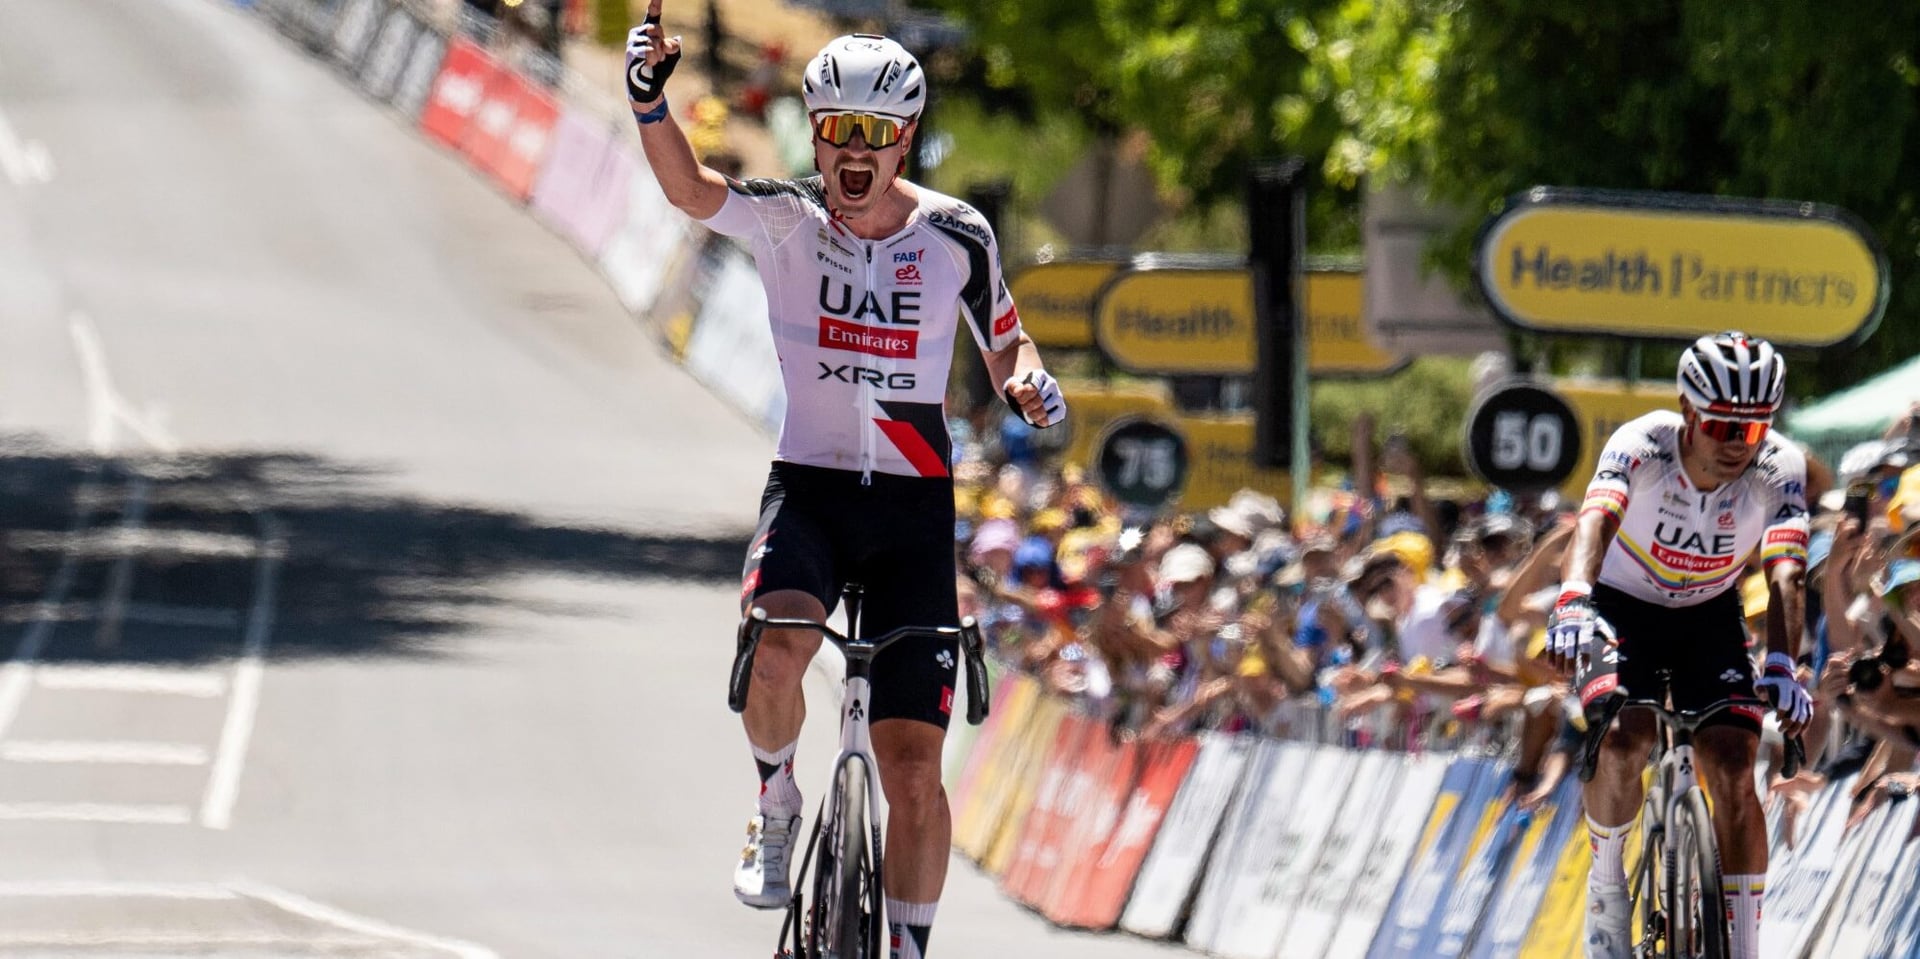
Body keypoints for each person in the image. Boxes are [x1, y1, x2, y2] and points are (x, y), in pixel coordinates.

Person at [624, 9, 1066, 958]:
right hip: (813, 493)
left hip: (912, 512)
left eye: (874, 133)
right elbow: (691, 189)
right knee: (778, 645)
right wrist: (649, 100)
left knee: (914, 771)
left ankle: (906, 945)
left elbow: (1005, 340)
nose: (853, 151)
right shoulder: (787, 218)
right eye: (837, 130)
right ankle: (776, 798)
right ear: (818, 133)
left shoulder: (956, 233)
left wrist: (1028, 378)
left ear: (903, 137)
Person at [1546, 332, 1811, 959]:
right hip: (1616, 607)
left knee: (1732, 761)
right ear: (1689, 415)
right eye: (1721, 427)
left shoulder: (1779, 468)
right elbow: (1594, 522)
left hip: (1706, 613)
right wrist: (1574, 597)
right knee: (1625, 738)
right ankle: (1607, 894)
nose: (1734, 446)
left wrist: (1783, 665)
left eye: (1751, 431)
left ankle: (1743, 947)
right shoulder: (1641, 445)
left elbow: (1787, 573)